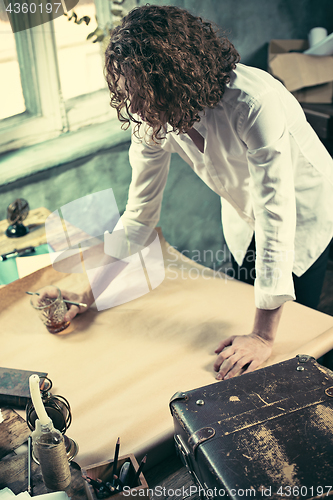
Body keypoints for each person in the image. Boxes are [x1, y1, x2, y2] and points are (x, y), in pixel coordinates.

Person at [63, 4, 333, 380]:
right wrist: (86, 294)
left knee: (294, 343)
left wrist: (262, 336)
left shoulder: (254, 103)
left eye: (140, 89)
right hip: (242, 211)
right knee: (243, 309)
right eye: (127, 90)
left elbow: (277, 214)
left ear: (172, 77)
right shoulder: (152, 117)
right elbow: (139, 217)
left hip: (302, 208)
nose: (133, 105)